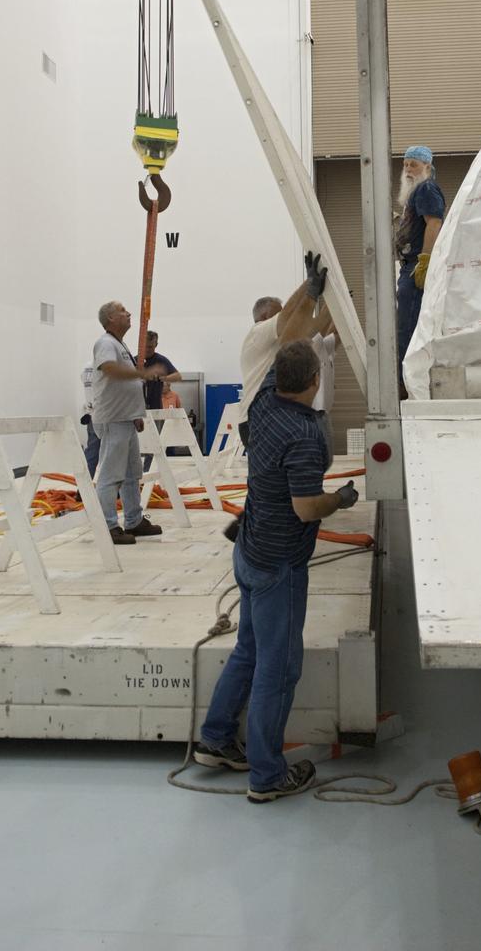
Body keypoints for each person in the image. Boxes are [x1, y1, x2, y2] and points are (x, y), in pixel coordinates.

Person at [194, 340, 359, 802]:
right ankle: (266, 776)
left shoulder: (265, 401)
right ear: (315, 381)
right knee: (278, 669)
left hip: (247, 552)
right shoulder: (305, 438)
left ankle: (217, 739)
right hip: (278, 566)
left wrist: (311, 300)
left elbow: (286, 340)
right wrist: (340, 500)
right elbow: (307, 509)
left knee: (248, 650)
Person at [92, 301, 167, 545]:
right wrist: (141, 373)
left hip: (126, 419)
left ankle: (133, 520)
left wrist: (136, 413)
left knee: (132, 473)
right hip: (113, 420)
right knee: (111, 475)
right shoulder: (105, 344)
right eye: (123, 311)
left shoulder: (119, 344)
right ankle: (109, 526)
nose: (129, 313)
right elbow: (110, 370)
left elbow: (125, 383)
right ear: (111, 318)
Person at [239, 250, 333, 442]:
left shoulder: (283, 345)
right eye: (278, 314)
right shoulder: (257, 334)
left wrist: (334, 302)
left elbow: (313, 331)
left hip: (274, 418)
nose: (289, 320)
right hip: (258, 420)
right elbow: (285, 320)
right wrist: (309, 287)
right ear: (264, 316)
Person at [395, 146, 445, 365]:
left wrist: (425, 261)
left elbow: (434, 223)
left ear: (427, 166)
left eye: (413, 164)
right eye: (405, 164)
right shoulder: (416, 192)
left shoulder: (426, 189)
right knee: (405, 324)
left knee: (408, 326)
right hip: (409, 265)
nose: (408, 169)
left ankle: (407, 381)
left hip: (416, 266)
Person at [142, 330, 182, 411]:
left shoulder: (161, 360)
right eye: (145, 346)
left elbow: (178, 376)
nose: (147, 349)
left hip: (156, 408)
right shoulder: (135, 360)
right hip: (138, 408)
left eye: (150, 347)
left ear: (156, 345)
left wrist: (161, 378)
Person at [79, 362, 101, 478]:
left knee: (92, 452)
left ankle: (83, 490)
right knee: (111, 454)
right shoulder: (105, 367)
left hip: (92, 415)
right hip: (106, 416)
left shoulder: (87, 367)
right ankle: (112, 490)